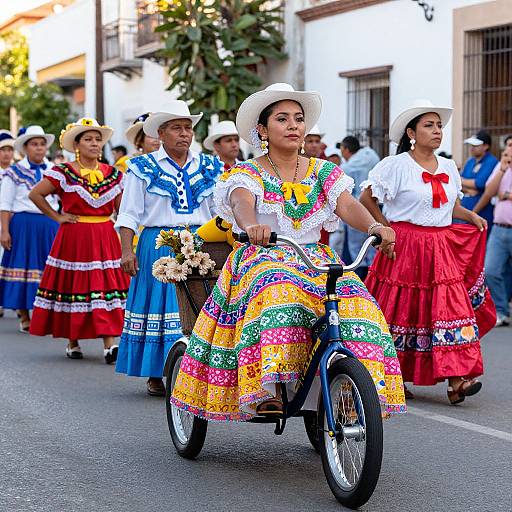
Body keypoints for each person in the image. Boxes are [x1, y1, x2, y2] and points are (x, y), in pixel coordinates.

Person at [171, 83, 406, 420]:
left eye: (298, 118)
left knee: (360, 304)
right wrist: (251, 225)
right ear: (263, 130)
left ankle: (353, 390)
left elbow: (346, 204)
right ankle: (270, 388)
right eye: (283, 119)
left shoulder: (324, 171)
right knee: (279, 292)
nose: (294, 125)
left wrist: (374, 227)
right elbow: (240, 200)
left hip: (315, 258)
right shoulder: (247, 172)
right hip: (263, 257)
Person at [360, 99, 496, 405]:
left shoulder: (448, 166)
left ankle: (457, 379)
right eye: (429, 125)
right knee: (402, 308)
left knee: (451, 308)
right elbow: (365, 197)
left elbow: (448, 205)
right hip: (404, 244)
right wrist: (383, 229)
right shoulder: (394, 166)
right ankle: (396, 375)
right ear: (412, 132)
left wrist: (469, 215)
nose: (437, 131)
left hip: (440, 245)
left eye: (439, 126)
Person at [115, 100, 223, 396]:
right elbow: (128, 213)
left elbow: (221, 211)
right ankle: (157, 371)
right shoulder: (141, 167)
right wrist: (127, 250)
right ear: (160, 133)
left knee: (200, 305)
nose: (184, 133)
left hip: (202, 241)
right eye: (176, 128)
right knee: (162, 304)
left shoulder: (210, 166)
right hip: (158, 243)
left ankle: (199, 371)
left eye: (188, 127)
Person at [28, 118, 130, 362]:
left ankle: (109, 344)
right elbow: (36, 194)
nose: (95, 144)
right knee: (74, 285)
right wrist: (58, 216)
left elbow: (121, 208)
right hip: (74, 235)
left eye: (98, 139)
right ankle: (72, 340)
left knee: (104, 287)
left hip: (105, 235)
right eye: (88, 139)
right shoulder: (64, 172)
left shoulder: (114, 174)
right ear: (77, 145)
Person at [0, 126, 59, 332]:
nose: (39, 148)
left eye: (42, 144)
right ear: (25, 148)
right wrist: (4, 231)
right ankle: (24, 315)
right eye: (34, 144)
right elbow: (5, 204)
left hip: (49, 223)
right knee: (23, 268)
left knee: (49, 269)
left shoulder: (53, 169)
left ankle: (47, 315)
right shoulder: (13, 172)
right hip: (23, 224)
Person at [475, 137, 512, 326]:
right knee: (490, 270)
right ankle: (502, 311)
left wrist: (505, 195)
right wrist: (503, 169)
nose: (509, 149)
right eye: (507, 146)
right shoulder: (501, 167)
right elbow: (489, 191)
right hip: (499, 228)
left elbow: (500, 194)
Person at [339, 135, 380, 279]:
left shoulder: (346, 168)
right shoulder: (372, 156)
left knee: (354, 253)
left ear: (346, 149)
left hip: (354, 211)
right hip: (374, 210)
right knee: (371, 247)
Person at [460, 130, 498, 229]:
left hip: (483, 213)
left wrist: (463, 181)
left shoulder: (492, 161)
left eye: (475, 145)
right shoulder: (470, 161)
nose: (472, 148)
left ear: (486, 146)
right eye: (471, 145)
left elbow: (480, 183)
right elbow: (457, 183)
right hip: (465, 210)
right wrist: (469, 189)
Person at [0, 130, 15, 319]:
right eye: (3, 149)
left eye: (10, 149)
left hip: (12, 220)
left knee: (7, 260)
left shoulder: (17, 172)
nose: (6, 153)